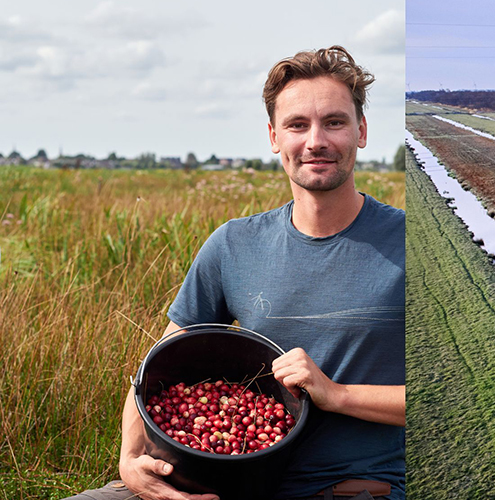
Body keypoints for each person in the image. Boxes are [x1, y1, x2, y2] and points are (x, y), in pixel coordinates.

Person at [67, 46, 405, 500]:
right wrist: (129, 460)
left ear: (361, 131)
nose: (315, 141)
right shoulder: (234, 243)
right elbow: (155, 365)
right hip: (212, 481)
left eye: (334, 122)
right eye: (297, 125)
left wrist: (337, 394)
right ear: (273, 137)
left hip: (343, 488)